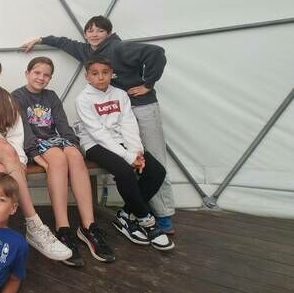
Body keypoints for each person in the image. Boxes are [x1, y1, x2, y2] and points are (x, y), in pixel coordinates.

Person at [22, 15, 176, 233]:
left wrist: (148, 84)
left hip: (141, 105)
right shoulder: (87, 55)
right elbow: (64, 42)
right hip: (107, 129)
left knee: (155, 162)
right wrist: (40, 39)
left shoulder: (119, 49)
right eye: (90, 30)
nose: (94, 34)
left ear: (109, 33)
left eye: (100, 30)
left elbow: (156, 53)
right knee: (129, 167)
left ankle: (160, 214)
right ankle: (141, 214)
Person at [0, 53, 71, 262]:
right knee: (4, 152)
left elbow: (16, 135)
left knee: (1, 172)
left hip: (4, 155)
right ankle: (34, 223)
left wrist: (19, 161)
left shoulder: (6, 98)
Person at [12, 56, 115, 266]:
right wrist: (34, 154)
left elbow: (62, 124)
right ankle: (63, 229)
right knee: (58, 158)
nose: (41, 78)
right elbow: (22, 129)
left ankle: (89, 227)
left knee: (75, 156)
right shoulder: (17, 96)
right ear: (27, 73)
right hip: (34, 143)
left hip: (53, 139)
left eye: (46, 75)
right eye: (37, 73)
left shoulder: (51, 96)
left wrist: (72, 144)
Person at [75, 56, 173, 251]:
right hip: (95, 144)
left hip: (122, 142)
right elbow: (98, 134)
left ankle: (126, 215)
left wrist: (136, 151)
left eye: (105, 73)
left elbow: (128, 123)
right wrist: (128, 157)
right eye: (95, 73)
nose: (101, 77)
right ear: (87, 77)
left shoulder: (120, 94)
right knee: (124, 172)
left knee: (157, 171)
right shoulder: (83, 99)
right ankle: (147, 221)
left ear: (112, 74)